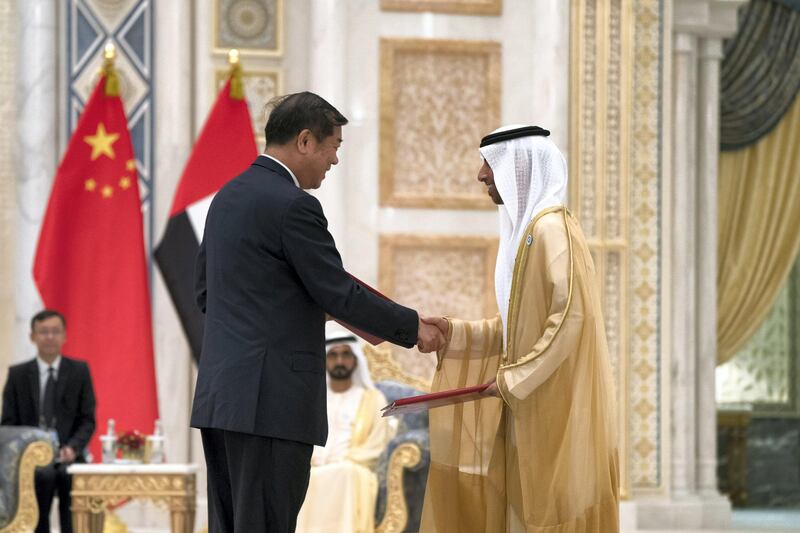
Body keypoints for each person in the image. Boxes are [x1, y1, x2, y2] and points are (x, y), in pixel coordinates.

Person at [191, 91, 443, 533]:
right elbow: (338, 292)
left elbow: (207, 294)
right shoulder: (295, 205)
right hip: (271, 402)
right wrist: (412, 327)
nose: (334, 160)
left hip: (223, 398)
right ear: (305, 141)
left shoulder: (226, 197)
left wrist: (294, 305)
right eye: (333, 147)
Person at [420, 126, 619, 532]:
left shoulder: (551, 230)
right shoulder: (530, 233)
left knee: (547, 512)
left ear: (519, 167)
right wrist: (456, 333)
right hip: (526, 403)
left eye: (489, 164)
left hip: (550, 405)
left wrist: (516, 378)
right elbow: (519, 329)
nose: (481, 175)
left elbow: (570, 318)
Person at [1, 309, 97, 533]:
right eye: (43, 332)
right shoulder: (18, 375)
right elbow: (8, 424)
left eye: (55, 331)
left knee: (68, 477)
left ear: (65, 336)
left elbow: (87, 420)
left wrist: (73, 448)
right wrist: (28, 450)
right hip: (29, 459)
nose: (50, 337)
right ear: (32, 336)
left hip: (69, 454)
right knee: (40, 478)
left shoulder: (79, 371)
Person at [296, 322, 396, 532]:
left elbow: (375, 445)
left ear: (355, 359)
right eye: (333, 355)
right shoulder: (312, 399)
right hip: (313, 466)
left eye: (345, 355)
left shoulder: (372, 399)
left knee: (344, 473)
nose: (339, 361)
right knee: (298, 475)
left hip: (352, 469)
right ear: (325, 360)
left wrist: (340, 461)